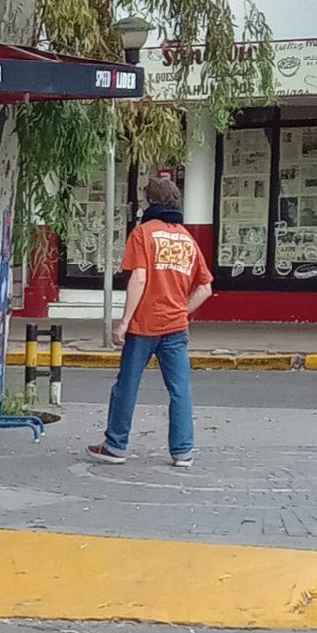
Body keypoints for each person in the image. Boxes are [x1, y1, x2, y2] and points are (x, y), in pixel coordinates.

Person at [88, 176, 211, 468]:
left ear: (149, 201)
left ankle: (116, 445)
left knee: (126, 387)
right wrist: (182, 310)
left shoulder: (143, 234)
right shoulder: (188, 239)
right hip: (176, 327)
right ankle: (183, 451)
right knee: (180, 390)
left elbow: (140, 277)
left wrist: (123, 322)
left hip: (143, 326)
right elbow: (205, 287)